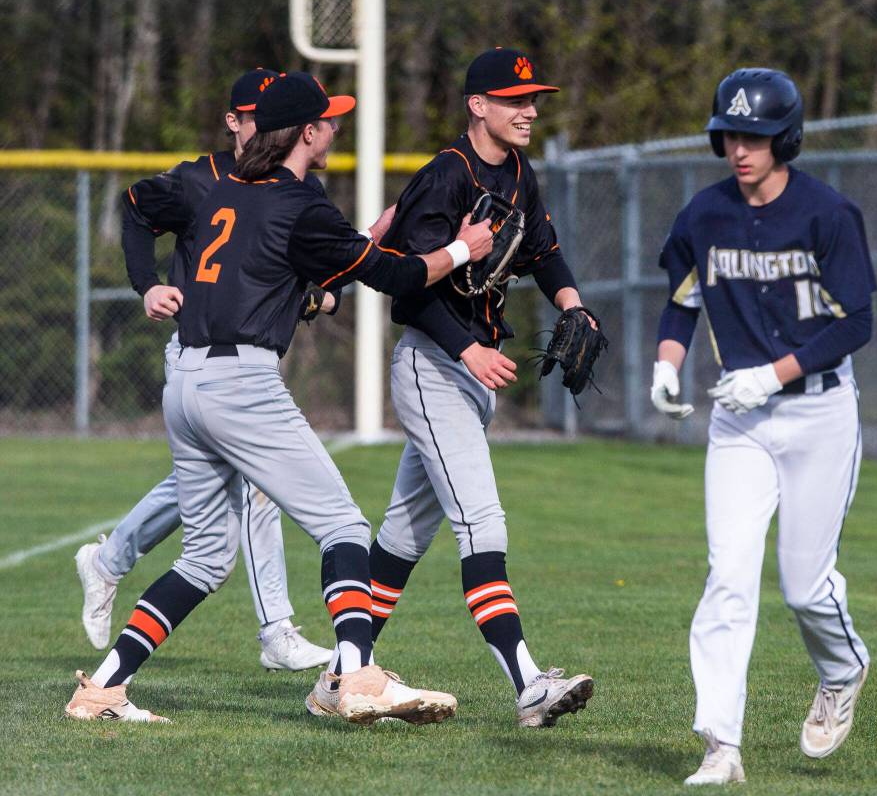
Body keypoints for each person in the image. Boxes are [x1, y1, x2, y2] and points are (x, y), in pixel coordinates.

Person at [65, 71, 494, 725]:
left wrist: (363, 239)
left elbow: (296, 262)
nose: (336, 128)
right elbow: (398, 275)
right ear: (308, 132)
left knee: (206, 557)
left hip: (185, 380)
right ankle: (358, 675)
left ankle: (103, 686)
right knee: (344, 528)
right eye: (329, 120)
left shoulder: (227, 188)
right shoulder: (299, 203)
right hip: (241, 382)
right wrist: (465, 248)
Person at [73, 68, 356, 672]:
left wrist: (317, 297)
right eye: (259, 115)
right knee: (256, 492)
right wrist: (147, 284)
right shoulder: (202, 178)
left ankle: (108, 564)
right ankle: (276, 631)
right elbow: (134, 209)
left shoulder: (292, 187)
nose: (270, 127)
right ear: (235, 121)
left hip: (236, 364)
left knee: (210, 499)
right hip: (205, 357)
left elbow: (297, 277)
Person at [650, 68, 874, 784]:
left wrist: (773, 372)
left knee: (805, 587)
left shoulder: (827, 214)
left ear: (786, 139)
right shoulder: (704, 215)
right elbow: (682, 300)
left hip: (818, 412)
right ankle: (721, 745)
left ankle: (843, 669)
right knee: (728, 577)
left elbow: (858, 323)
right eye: (731, 135)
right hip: (740, 424)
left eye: (756, 137)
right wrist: (667, 361)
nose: (740, 149)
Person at [367, 48, 594, 728]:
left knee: (404, 536)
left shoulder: (523, 175)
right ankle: (529, 686)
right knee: (481, 523)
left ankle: (343, 670)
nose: (529, 108)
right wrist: (467, 349)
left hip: (469, 376)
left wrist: (574, 305)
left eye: (533, 98)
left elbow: (544, 253)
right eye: (514, 97)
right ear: (478, 105)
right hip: (434, 367)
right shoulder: (445, 177)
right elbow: (407, 290)